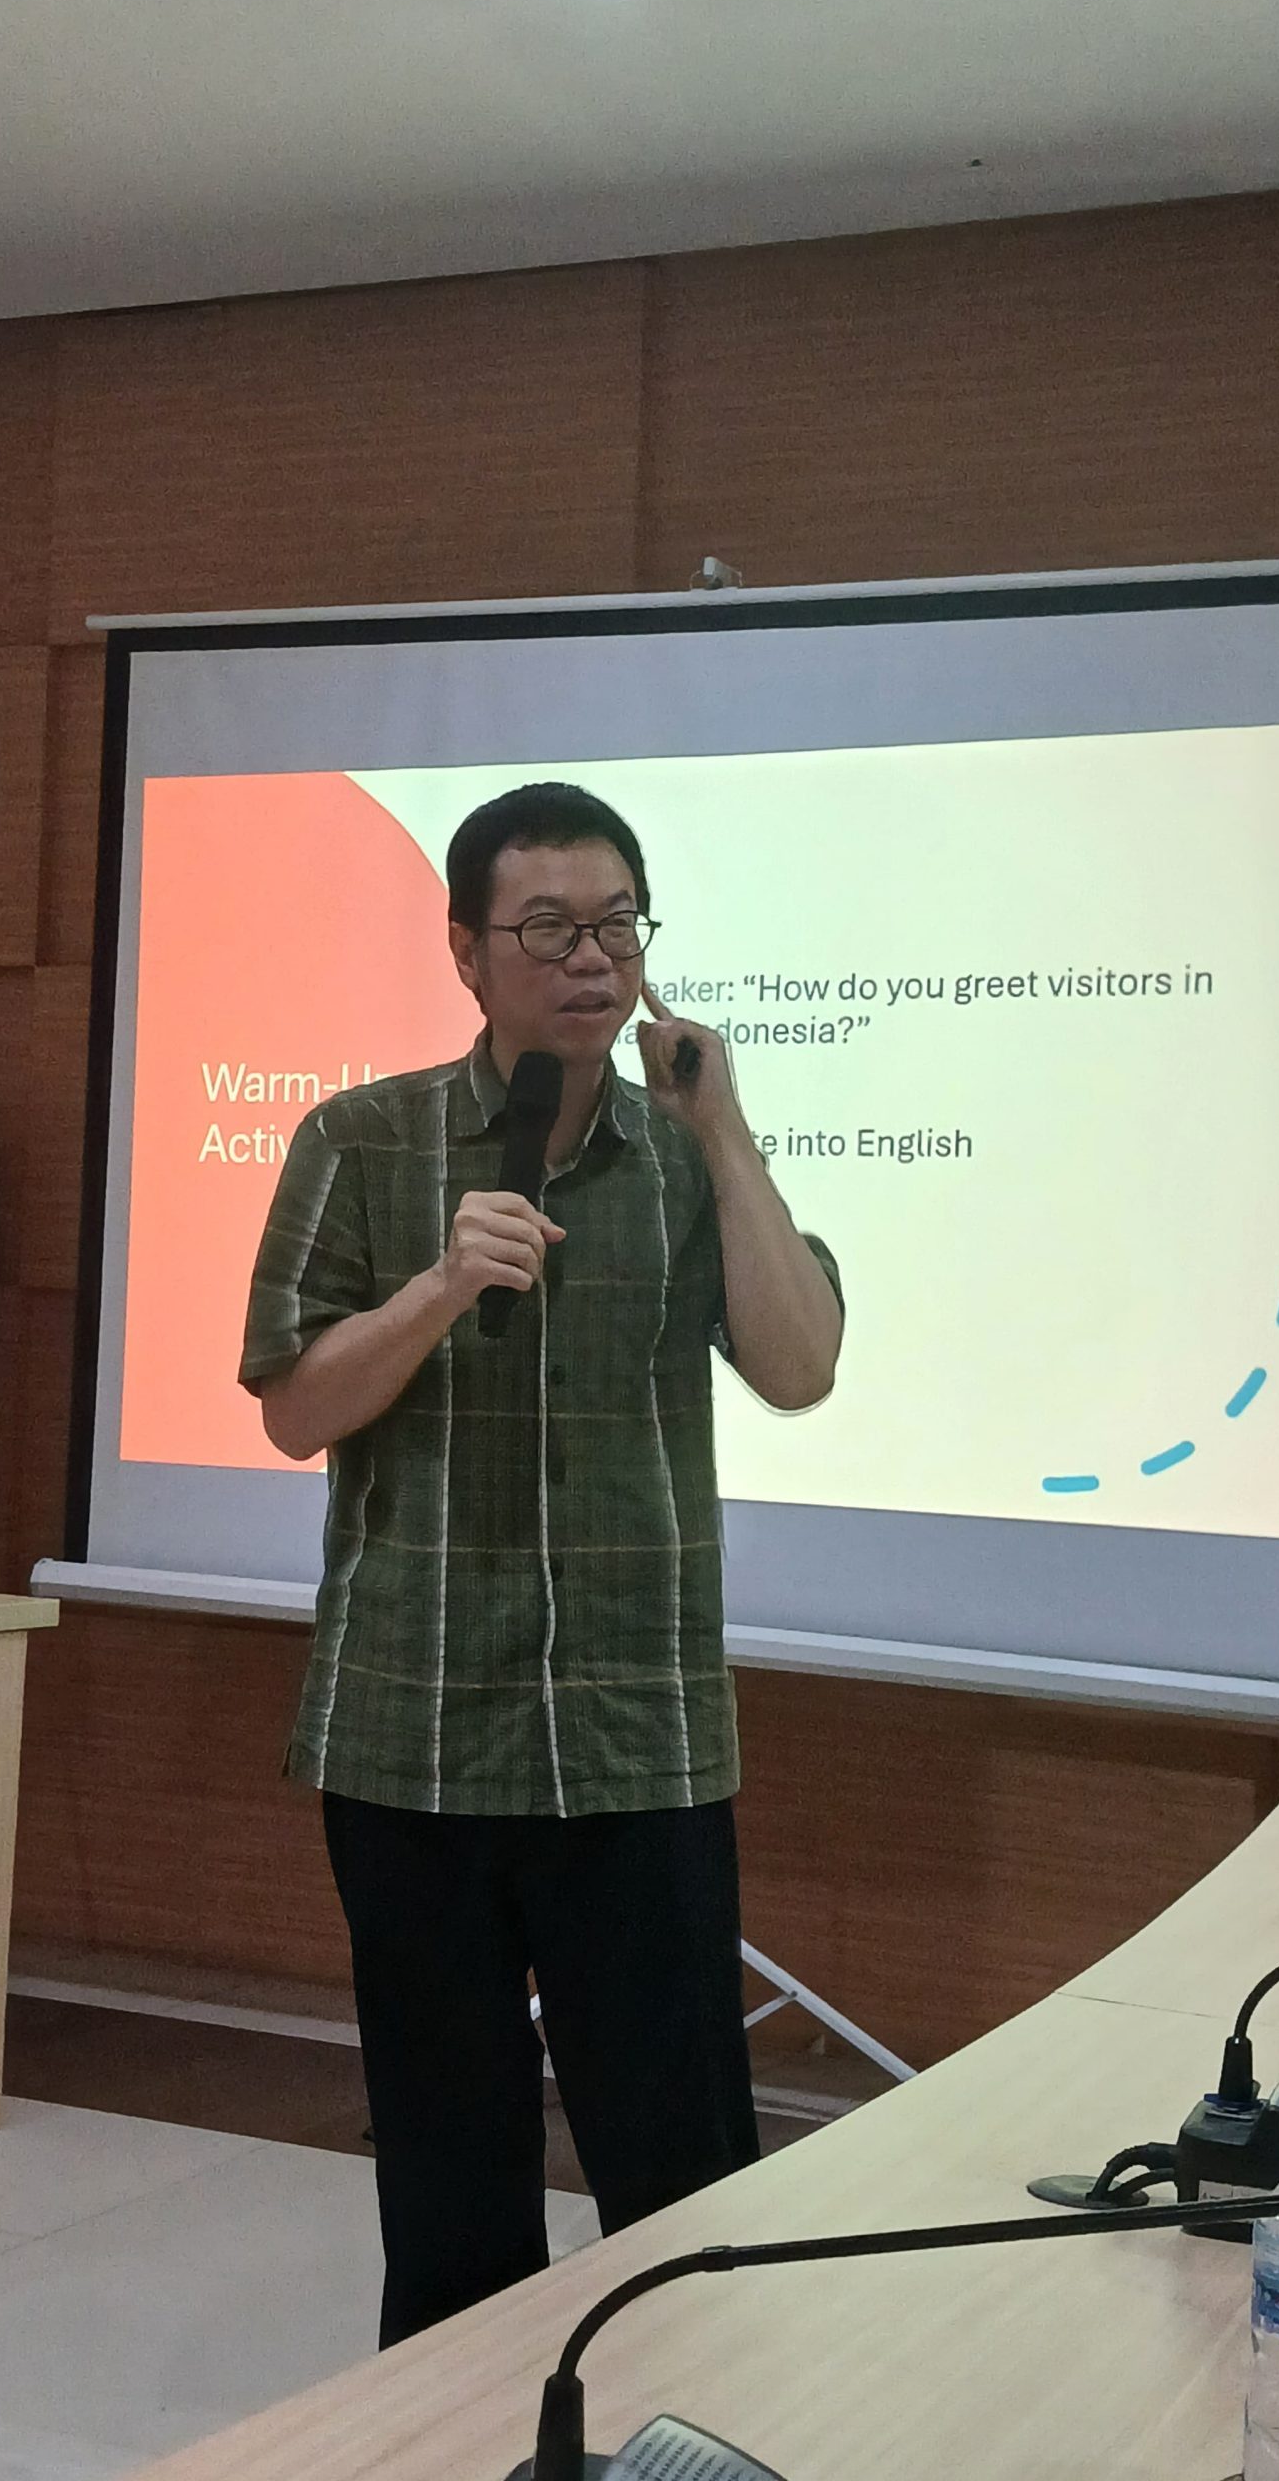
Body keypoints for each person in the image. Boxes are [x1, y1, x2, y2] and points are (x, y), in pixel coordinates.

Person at [242, 781, 843, 2346]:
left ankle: (679, 2426)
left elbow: (800, 1367)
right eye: (551, 929)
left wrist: (726, 1132)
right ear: (467, 951)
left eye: (619, 925)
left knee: (683, 2175)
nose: (593, 960)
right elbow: (295, 1409)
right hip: (417, 1728)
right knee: (451, 2185)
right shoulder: (363, 1141)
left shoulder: (683, 1156)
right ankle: (457, 2437)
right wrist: (439, 1289)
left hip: (639, 1737)